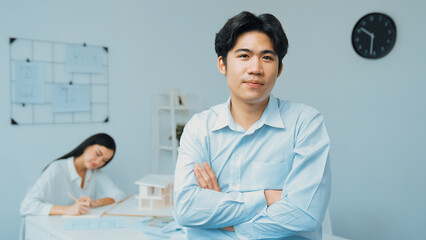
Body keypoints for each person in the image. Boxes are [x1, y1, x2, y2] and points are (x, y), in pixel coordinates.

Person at [174, 11, 331, 239]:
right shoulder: (199, 128)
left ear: (279, 69)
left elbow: (304, 213)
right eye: (244, 56)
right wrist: (266, 197)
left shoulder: (305, 123)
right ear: (222, 64)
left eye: (267, 57)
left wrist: (221, 216)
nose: (256, 68)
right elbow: (186, 209)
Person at [20, 133, 126, 216]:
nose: (98, 162)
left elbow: (119, 195)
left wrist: (95, 202)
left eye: (104, 161)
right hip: (48, 225)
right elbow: (27, 206)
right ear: (87, 146)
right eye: (98, 154)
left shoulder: (95, 172)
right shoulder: (57, 168)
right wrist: (68, 210)